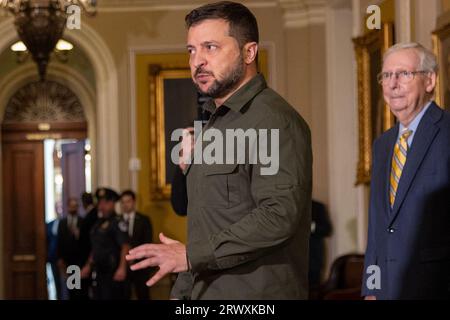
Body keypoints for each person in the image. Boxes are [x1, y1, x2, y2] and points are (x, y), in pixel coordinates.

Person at [126, 1, 312, 299]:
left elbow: (278, 216)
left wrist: (188, 256)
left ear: (249, 52)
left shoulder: (274, 120)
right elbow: (204, 224)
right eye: (191, 50)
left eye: (210, 47)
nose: (197, 60)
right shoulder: (213, 125)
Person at [362, 42, 450, 300]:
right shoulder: (382, 145)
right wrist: (372, 289)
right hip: (388, 289)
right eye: (387, 75)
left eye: (404, 74)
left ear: (430, 80)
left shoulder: (447, 133)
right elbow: (378, 227)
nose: (392, 84)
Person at [81, 188, 130, 300]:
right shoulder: (98, 223)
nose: (101, 206)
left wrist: (122, 268)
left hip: (113, 272)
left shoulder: (118, 222)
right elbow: (96, 247)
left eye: (105, 203)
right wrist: (88, 266)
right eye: (100, 203)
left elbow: (125, 246)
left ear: (112, 203)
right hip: (99, 272)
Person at [120, 190, 153, 300]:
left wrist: (135, 257)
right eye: (123, 202)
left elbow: (148, 242)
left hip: (141, 265)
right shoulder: (116, 221)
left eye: (128, 201)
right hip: (122, 266)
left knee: (143, 295)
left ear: (133, 202)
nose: (125, 204)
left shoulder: (144, 220)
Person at [56, 197, 88, 300]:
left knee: (79, 288)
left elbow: (86, 243)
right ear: (68, 207)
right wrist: (60, 258)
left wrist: (79, 235)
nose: (73, 208)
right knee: (70, 287)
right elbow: (59, 241)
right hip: (67, 260)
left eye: (75, 206)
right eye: (71, 206)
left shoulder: (82, 221)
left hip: (79, 260)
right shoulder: (62, 222)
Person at [309, 200, 332, 288]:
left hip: (313, 260)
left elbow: (327, 230)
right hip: (290, 260)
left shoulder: (318, 206)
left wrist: (309, 225)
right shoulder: (287, 204)